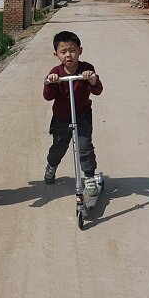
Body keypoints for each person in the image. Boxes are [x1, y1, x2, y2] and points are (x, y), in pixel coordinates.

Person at [42, 31, 103, 196]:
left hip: (82, 115)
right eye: (63, 52)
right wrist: (51, 82)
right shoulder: (55, 72)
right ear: (57, 55)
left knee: (85, 147)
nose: (69, 55)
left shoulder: (87, 69)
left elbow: (97, 90)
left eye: (73, 50)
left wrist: (91, 80)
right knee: (58, 147)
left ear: (80, 51)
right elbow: (48, 96)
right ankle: (51, 166)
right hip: (61, 117)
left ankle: (89, 177)